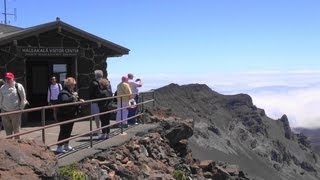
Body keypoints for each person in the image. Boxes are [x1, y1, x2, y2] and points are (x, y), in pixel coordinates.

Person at [56, 77, 84, 153]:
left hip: (70, 114)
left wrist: (79, 101)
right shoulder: (63, 92)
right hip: (64, 115)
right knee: (63, 130)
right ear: (69, 85)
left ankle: (66, 145)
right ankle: (59, 146)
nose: (74, 86)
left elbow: (74, 101)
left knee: (69, 130)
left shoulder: (71, 92)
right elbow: (65, 101)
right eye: (73, 84)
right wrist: (73, 97)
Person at [0, 72, 27, 139]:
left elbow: (23, 99)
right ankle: (10, 147)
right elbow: (0, 98)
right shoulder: (2, 88)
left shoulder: (18, 86)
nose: (7, 80)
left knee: (16, 131)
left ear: (13, 78)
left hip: (15, 112)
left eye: (9, 78)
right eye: (6, 78)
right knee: (8, 132)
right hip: (5, 112)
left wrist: (20, 109)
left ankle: (17, 145)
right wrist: (1, 110)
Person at [89, 70, 104, 135]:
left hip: (95, 101)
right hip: (101, 102)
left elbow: (92, 93)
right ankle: (101, 130)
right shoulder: (103, 82)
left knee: (96, 116)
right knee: (100, 116)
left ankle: (98, 130)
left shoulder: (94, 83)